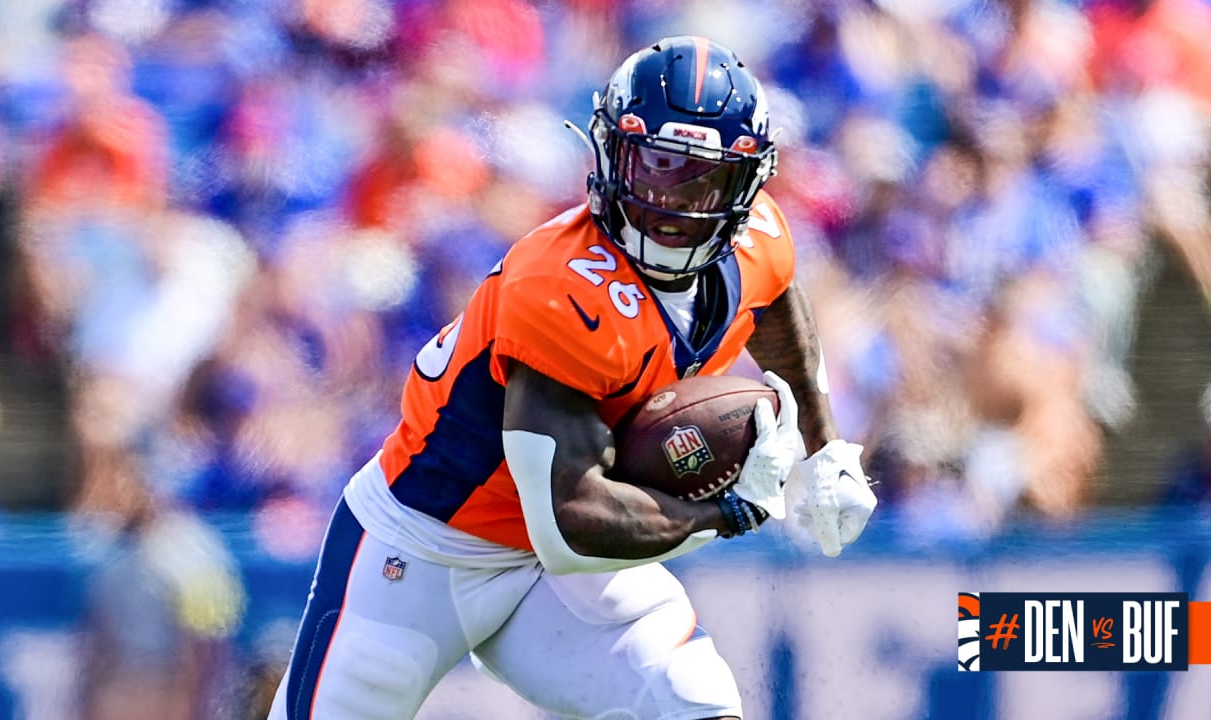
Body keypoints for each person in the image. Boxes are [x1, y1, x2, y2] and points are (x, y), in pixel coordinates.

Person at [268, 36, 877, 720]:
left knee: (695, 704)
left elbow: (773, 303)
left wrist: (828, 450)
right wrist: (727, 512)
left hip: (548, 578)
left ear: (745, 184)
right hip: (422, 546)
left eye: (699, 176)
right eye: (654, 166)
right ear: (612, 153)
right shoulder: (561, 288)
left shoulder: (757, 238)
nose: (670, 200)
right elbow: (569, 521)